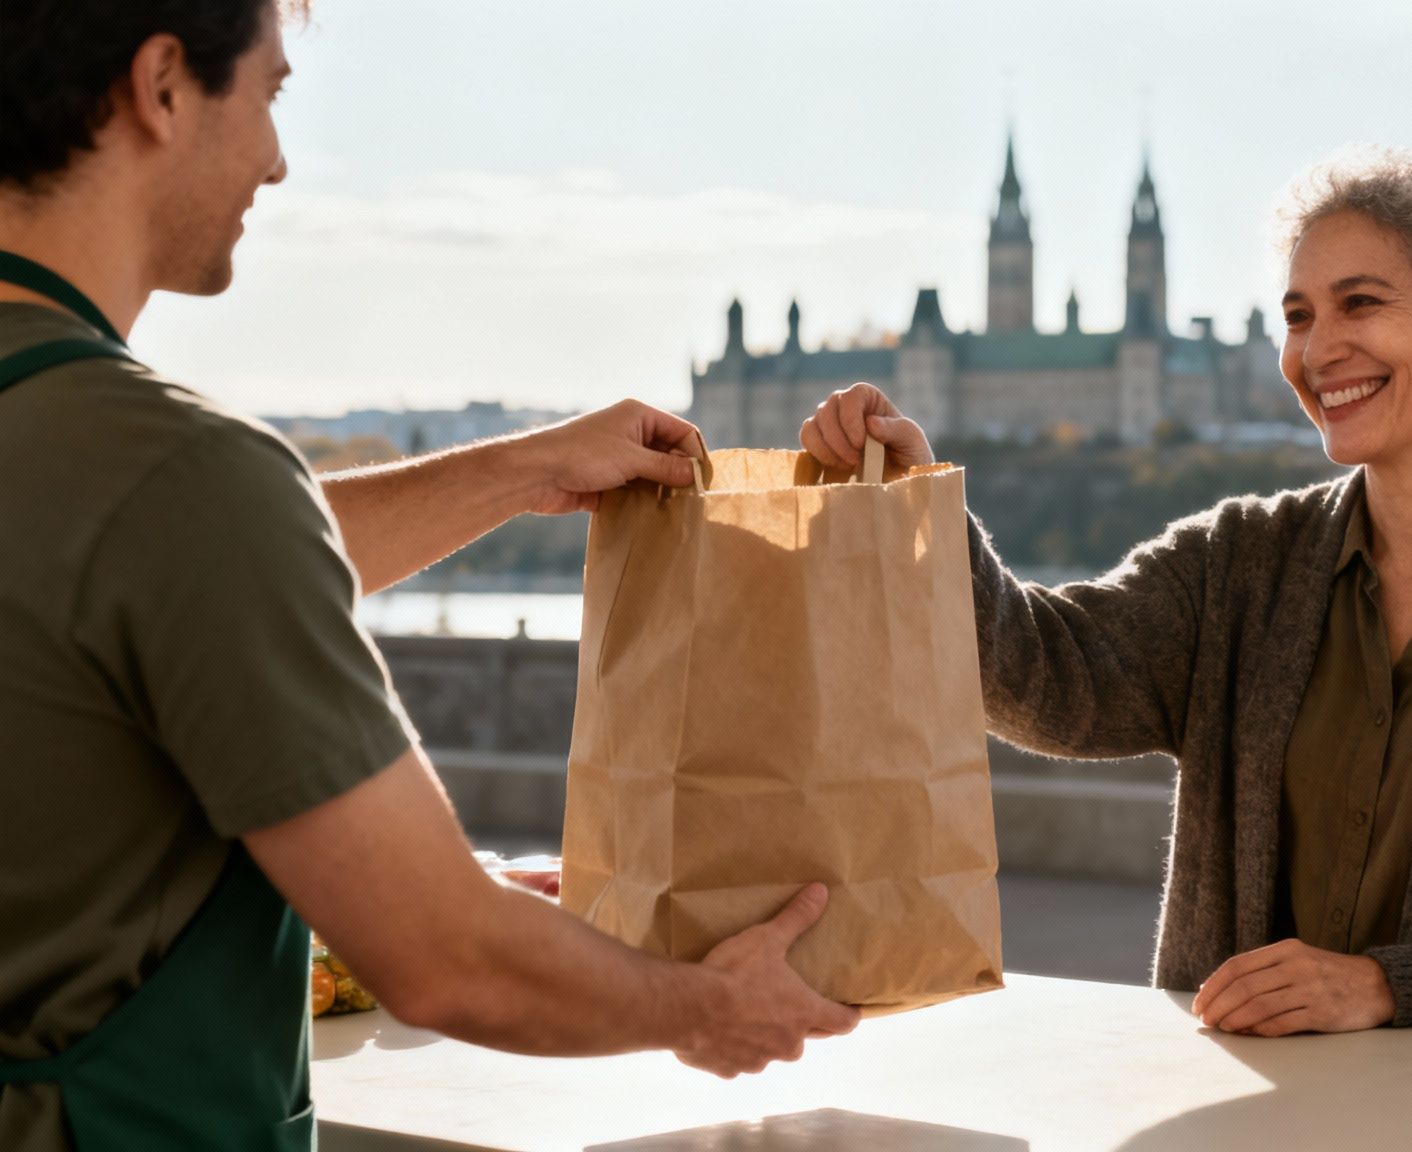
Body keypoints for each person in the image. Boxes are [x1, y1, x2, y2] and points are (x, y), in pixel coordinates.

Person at [0, 3, 855, 1148]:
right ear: (160, 87)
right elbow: (447, 959)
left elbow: (183, 569)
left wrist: (523, 467)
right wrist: (712, 1008)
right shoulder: (177, 479)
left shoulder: (100, 468)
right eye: (269, 94)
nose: (276, 157)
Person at [805, 149, 1412, 1037]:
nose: (1316, 350)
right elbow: (1051, 679)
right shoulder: (1238, 563)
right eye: (1297, 317)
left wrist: (1386, 988)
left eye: (1358, 305)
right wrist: (916, 511)